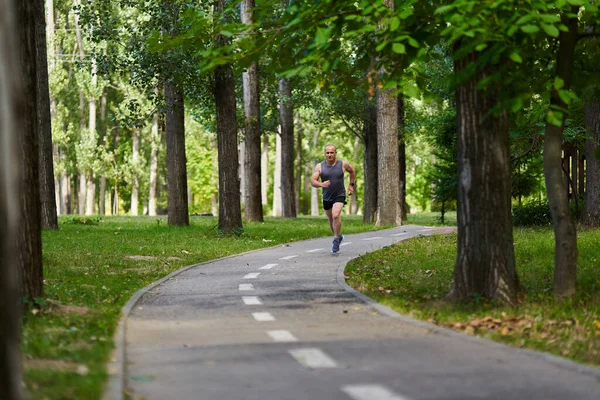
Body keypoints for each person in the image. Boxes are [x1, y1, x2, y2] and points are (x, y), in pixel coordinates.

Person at [311, 144, 356, 253]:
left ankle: (335, 240)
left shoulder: (343, 164)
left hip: (339, 195)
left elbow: (352, 171)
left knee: (335, 215)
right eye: (328, 153)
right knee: (331, 219)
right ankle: (338, 236)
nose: (330, 155)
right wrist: (321, 184)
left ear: (335, 153)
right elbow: (313, 181)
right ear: (325, 153)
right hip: (327, 196)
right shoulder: (320, 166)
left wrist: (351, 185)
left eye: (332, 152)